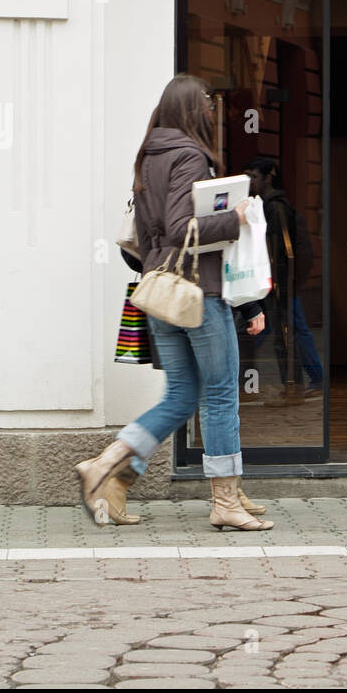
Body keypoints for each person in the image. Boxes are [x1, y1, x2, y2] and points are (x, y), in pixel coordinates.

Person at [76, 74, 273, 531]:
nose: (210, 110)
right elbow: (184, 226)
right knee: (222, 393)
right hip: (197, 292)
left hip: (160, 290)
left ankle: (110, 470)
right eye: (205, 103)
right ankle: (225, 500)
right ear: (191, 110)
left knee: (183, 395)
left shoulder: (148, 158)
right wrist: (234, 217)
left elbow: (149, 236)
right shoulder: (188, 156)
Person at [243, 156, 323, 399]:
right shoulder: (269, 205)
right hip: (279, 281)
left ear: (268, 178)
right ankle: (303, 380)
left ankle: (307, 381)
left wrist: (279, 282)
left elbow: (282, 250)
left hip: (280, 281)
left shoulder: (275, 206)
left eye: (254, 178)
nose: (251, 183)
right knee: (274, 329)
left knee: (289, 330)